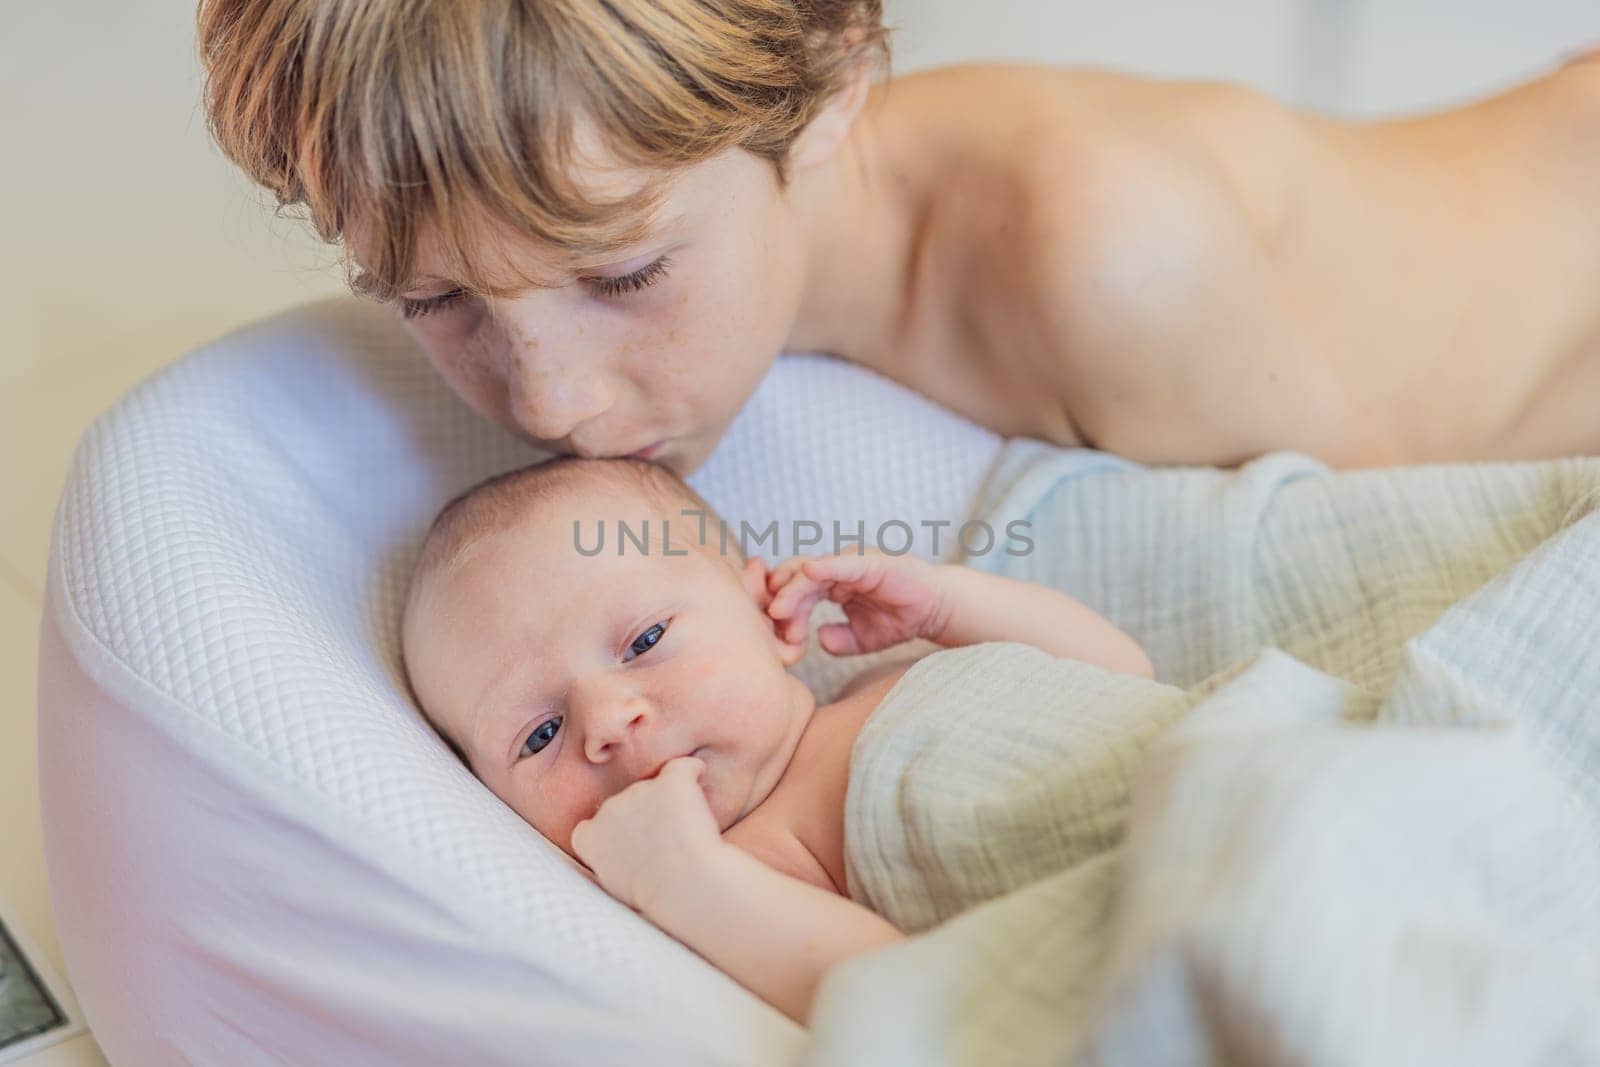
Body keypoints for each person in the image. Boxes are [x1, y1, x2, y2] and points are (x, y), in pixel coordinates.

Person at [196, 1, 1600, 472]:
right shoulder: (674, 203)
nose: (547, 397)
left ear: (833, 87)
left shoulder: (1099, 253)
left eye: (623, 274)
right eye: (435, 303)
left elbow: (1369, 589)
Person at [398, 456, 1152, 1024]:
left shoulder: (894, 674)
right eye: (541, 734)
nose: (606, 721)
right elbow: (907, 993)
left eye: (646, 638)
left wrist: (946, 604)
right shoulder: (741, 867)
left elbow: (1125, 676)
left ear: (765, 609)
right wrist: (684, 880)